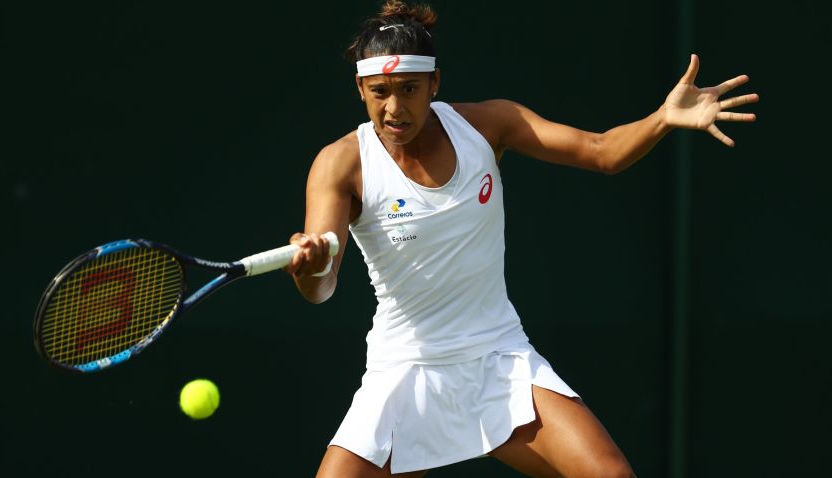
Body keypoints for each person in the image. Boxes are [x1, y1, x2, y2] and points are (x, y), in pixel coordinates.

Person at [284, 1, 758, 477]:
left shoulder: (490, 124)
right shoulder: (340, 163)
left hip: (498, 357)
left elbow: (602, 152)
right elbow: (320, 288)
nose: (394, 108)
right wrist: (313, 267)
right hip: (404, 370)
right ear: (361, 90)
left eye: (408, 89)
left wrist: (662, 118)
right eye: (380, 92)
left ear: (435, 84)